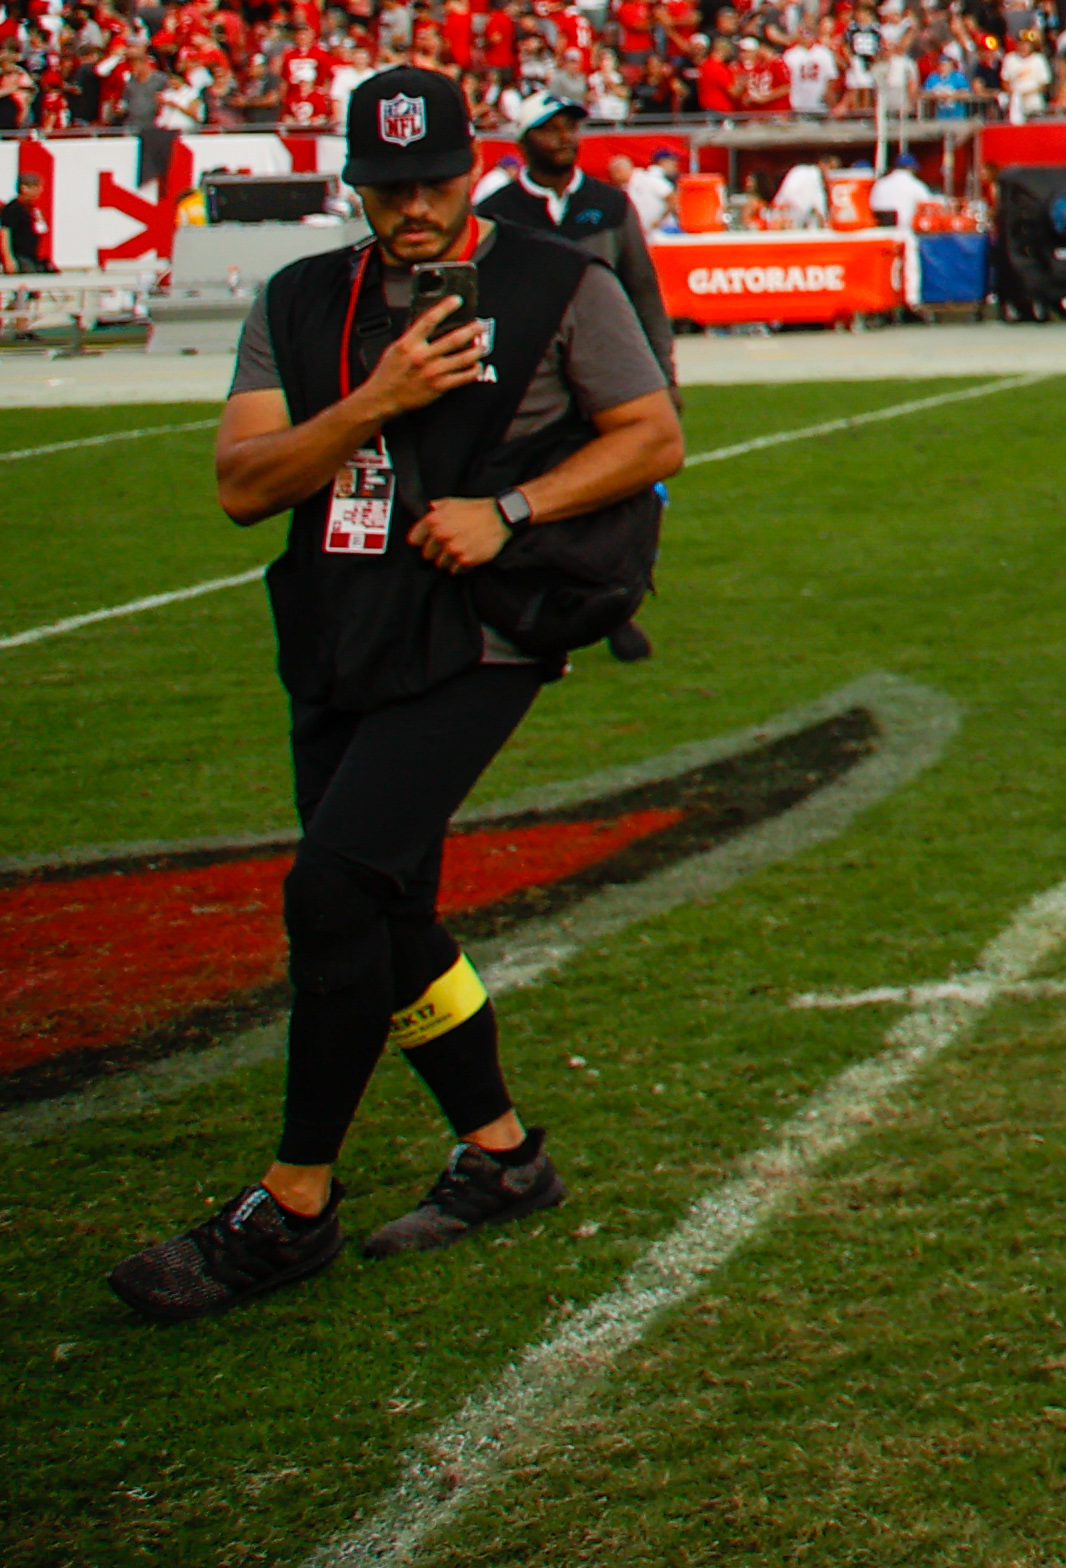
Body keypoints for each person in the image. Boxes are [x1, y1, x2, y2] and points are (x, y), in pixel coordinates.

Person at [105, 67, 685, 1322]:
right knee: (392, 907)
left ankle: (292, 1200)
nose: (412, 210)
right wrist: (376, 401)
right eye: (387, 187)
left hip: (483, 626)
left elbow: (651, 436)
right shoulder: (304, 298)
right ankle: (504, 1154)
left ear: (470, 169)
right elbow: (244, 483)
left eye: (432, 185)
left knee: (333, 886)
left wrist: (511, 510)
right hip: (337, 619)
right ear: (355, 182)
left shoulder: (559, 282)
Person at [471, 84, 670, 351]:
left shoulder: (611, 204)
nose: (563, 137)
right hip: (526, 363)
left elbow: (643, 290)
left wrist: (664, 374)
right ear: (524, 142)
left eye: (570, 127)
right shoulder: (494, 212)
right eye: (550, 129)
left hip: (605, 353)